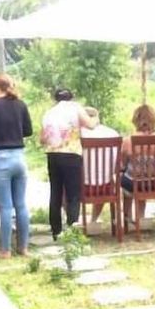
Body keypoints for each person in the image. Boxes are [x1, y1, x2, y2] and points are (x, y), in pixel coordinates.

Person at [0, 72, 33, 258]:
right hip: (19, 158)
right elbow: (28, 131)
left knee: (5, 206)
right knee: (21, 204)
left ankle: (5, 250)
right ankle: (24, 247)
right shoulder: (20, 104)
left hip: (1, 159)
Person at [39, 89, 98, 239]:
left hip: (53, 154)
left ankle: (56, 231)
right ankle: (72, 231)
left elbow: (42, 139)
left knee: (56, 193)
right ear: (71, 98)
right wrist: (95, 116)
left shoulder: (49, 113)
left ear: (55, 99)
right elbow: (90, 125)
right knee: (73, 194)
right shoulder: (75, 108)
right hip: (71, 154)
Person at [120, 104, 155, 221]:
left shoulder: (128, 141)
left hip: (134, 183)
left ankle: (127, 218)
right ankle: (141, 217)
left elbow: (122, 165)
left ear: (135, 120)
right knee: (144, 177)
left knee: (127, 179)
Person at [81, 107, 121, 223]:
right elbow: (117, 164)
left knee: (62, 187)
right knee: (105, 180)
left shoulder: (77, 134)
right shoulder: (112, 133)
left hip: (82, 187)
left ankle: (70, 221)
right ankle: (93, 220)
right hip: (105, 187)